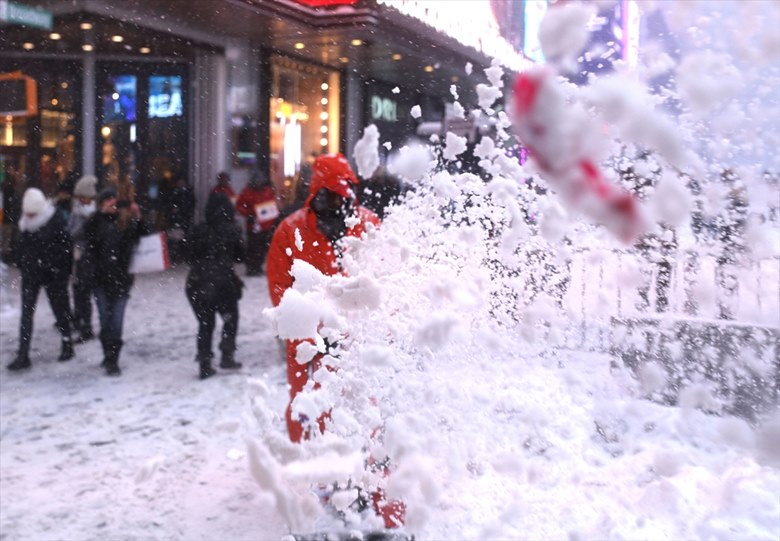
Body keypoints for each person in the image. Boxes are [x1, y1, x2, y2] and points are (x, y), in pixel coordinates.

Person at [266, 154, 404, 528]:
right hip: (309, 345)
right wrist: (309, 330)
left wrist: (376, 329)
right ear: (317, 192)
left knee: (363, 411)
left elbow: (385, 282)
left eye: (346, 191)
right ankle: (324, 483)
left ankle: (367, 486)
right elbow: (280, 288)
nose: (341, 199)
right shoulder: (291, 231)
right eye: (333, 192)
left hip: (357, 342)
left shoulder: (368, 225)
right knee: (309, 409)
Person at [84, 187, 150, 376]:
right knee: (105, 320)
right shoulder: (96, 222)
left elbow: (145, 235)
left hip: (121, 279)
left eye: (114, 199)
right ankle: (107, 354)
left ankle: (113, 359)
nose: (112, 203)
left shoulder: (126, 223)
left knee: (117, 321)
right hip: (100, 279)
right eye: (107, 200)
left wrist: (138, 216)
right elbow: (86, 236)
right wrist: (100, 215)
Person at [7, 188, 74, 370]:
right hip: (31, 273)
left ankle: (67, 341)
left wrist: (61, 272)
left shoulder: (56, 219)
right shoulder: (24, 223)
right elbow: (19, 246)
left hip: (53, 274)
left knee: (58, 308)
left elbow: (65, 249)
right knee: (26, 314)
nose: (28, 216)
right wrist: (22, 261)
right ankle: (23, 353)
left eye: (31, 213)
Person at [184, 192, 245, 379]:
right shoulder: (231, 230)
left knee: (205, 323)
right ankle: (227, 353)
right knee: (230, 318)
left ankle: (204, 361)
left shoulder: (197, 230)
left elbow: (188, 256)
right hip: (223, 283)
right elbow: (241, 256)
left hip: (197, 283)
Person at [69, 175, 99, 343]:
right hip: (77, 256)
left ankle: (86, 326)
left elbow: (79, 232)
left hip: (89, 257)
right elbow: (70, 230)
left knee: (84, 291)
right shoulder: (77, 210)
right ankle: (78, 318)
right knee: (77, 289)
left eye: (83, 196)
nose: (80, 199)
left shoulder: (93, 214)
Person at [236, 173, 278, 276]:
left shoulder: (268, 191)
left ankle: (258, 267)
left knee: (262, 247)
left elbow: (273, 205)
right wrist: (248, 214)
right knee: (252, 246)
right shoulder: (247, 192)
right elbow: (239, 205)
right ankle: (251, 268)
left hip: (266, 225)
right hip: (253, 225)